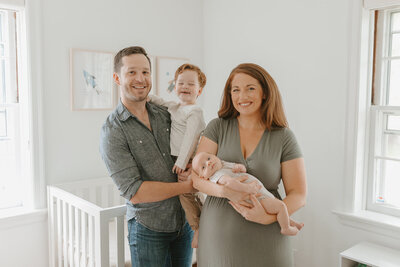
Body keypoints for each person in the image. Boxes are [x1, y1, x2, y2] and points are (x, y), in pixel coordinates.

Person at [191, 63, 307, 267]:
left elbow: (298, 194)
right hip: (218, 238)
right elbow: (196, 179)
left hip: (268, 237)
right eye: (235, 90)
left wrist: (269, 218)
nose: (242, 96)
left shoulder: (284, 137)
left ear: (265, 92)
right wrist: (225, 192)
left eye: (250, 88)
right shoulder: (217, 127)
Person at [99, 46, 194, 267]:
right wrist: (189, 187)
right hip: (149, 229)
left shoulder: (165, 114)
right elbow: (135, 192)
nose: (140, 79)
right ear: (117, 77)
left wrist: (191, 165)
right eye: (131, 72)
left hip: (184, 222)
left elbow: (184, 148)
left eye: (145, 72)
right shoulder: (113, 130)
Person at [148, 63, 206, 248]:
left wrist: (182, 162)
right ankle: (202, 222)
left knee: (187, 194)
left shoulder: (194, 111)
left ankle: (199, 226)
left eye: (191, 84)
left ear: (199, 90)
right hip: (176, 158)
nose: (185, 87)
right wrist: (146, 96)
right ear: (175, 85)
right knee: (187, 193)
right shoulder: (175, 107)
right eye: (181, 83)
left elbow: (191, 138)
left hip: (188, 159)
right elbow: (160, 102)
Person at [192, 151, 304, 236]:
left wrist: (240, 167)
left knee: (278, 206)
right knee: (280, 206)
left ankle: (291, 222)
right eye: (203, 167)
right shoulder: (216, 176)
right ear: (203, 177)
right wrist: (247, 188)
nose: (208, 162)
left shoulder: (222, 164)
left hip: (259, 192)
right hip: (256, 198)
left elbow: (238, 168)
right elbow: (231, 183)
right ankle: (286, 228)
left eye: (208, 158)